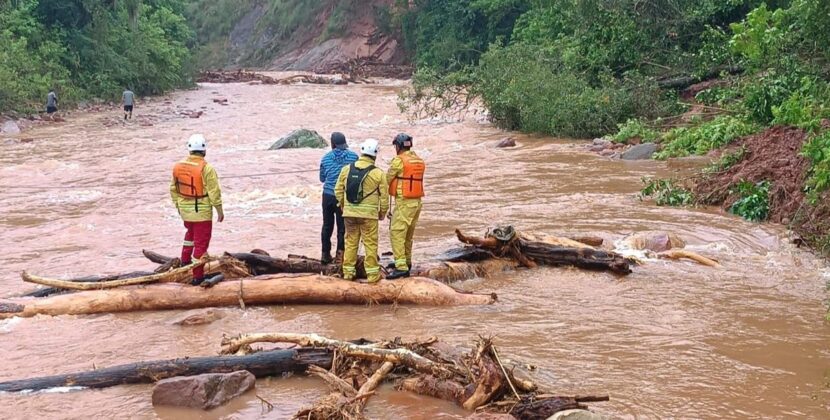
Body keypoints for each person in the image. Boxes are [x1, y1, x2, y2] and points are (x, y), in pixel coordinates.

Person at [170, 134, 225, 286]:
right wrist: (219, 211)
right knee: (201, 244)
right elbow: (214, 192)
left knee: (190, 236)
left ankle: (185, 262)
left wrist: (178, 206)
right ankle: (197, 277)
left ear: (189, 150)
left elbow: (173, 189)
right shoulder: (207, 168)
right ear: (204, 151)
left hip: (185, 211)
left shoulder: (177, 166)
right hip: (201, 212)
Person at [334, 139, 389, 283]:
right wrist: (382, 213)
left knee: (351, 242)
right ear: (375, 154)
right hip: (369, 216)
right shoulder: (378, 173)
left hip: (349, 214)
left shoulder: (346, 169)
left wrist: (343, 205)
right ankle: (372, 275)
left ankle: (348, 273)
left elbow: (338, 190)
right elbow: (384, 196)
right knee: (370, 244)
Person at [385, 133, 426, 279]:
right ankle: (406, 261)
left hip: (405, 203)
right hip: (417, 202)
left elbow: (386, 179)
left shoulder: (398, 161)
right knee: (408, 234)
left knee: (396, 233)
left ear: (398, 146)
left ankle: (401, 267)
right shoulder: (419, 160)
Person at [319, 132, 358, 264]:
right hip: (343, 196)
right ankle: (340, 256)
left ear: (332, 144)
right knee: (342, 227)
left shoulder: (325, 158)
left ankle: (325, 254)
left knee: (327, 225)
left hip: (328, 195)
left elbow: (322, 178)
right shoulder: (353, 156)